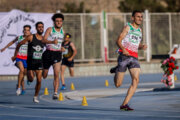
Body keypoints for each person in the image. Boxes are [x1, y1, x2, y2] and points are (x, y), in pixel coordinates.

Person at [111, 10, 147, 111]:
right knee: (118, 85)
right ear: (132, 18)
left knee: (136, 80)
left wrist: (141, 46)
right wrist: (123, 49)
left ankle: (124, 104)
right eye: (138, 16)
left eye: (141, 17)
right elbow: (118, 40)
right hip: (124, 57)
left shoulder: (139, 31)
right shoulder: (128, 27)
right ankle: (117, 69)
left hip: (134, 57)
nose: (140, 18)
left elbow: (136, 45)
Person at [12, 22, 45, 103]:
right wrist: (15, 55)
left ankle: (35, 96)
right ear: (36, 28)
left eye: (42, 27)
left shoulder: (44, 39)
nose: (41, 28)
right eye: (39, 27)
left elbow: (50, 47)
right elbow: (19, 44)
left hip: (39, 62)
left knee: (39, 80)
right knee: (30, 79)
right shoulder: (31, 37)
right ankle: (21, 85)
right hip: (30, 61)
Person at [0, 25, 31, 96]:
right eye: (25, 30)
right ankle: (19, 88)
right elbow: (12, 42)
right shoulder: (19, 37)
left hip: (27, 59)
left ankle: (22, 86)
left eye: (28, 30)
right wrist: (4, 48)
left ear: (29, 31)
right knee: (22, 70)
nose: (26, 31)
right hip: (19, 57)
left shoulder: (30, 38)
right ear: (23, 31)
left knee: (24, 73)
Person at [42, 13, 65, 99]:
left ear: (62, 22)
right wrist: (52, 42)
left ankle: (55, 93)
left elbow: (61, 44)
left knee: (56, 73)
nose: (59, 22)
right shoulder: (50, 29)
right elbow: (43, 40)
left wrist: (62, 48)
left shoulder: (63, 32)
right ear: (54, 22)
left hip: (57, 54)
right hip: (48, 53)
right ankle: (42, 72)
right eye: (57, 21)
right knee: (44, 75)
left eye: (60, 21)